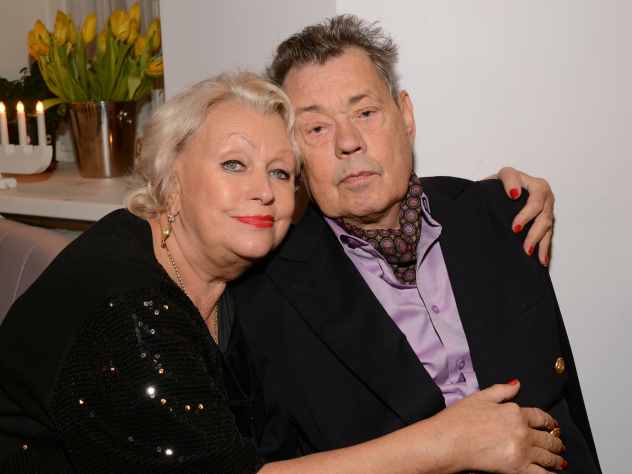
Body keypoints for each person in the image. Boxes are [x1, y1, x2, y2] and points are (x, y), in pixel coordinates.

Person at [0, 72, 561, 473]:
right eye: (234, 164)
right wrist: (447, 443)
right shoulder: (131, 313)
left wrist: (489, 201)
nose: (263, 191)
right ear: (171, 177)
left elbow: (370, 199)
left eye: (280, 172)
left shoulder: (213, 263)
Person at [232, 15, 601, 473]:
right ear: (293, 152)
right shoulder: (265, 293)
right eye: (317, 128)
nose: (348, 142)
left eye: (365, 113)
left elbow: (568, 408)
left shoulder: (503, 215)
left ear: (404, 115)